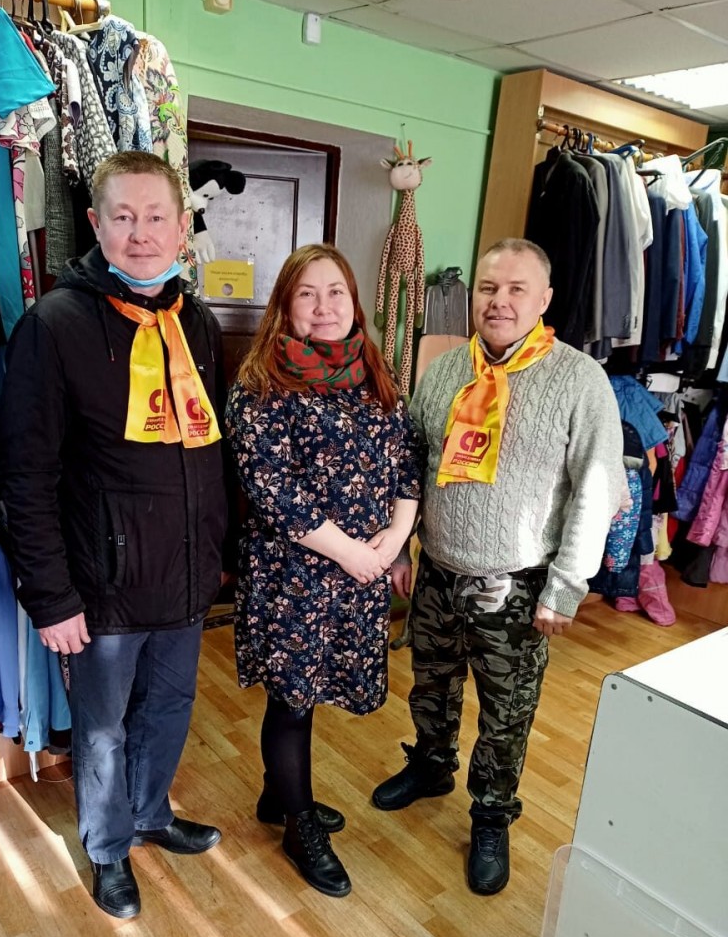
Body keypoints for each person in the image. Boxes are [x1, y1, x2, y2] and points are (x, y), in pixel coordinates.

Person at [0, 152, 229, 920]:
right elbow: (26, 476)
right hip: (102, 587)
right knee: (100, 733)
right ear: (95, 224)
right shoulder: (54, 326)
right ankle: (107, 848)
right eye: (123, 217)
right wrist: (51, 597)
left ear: (182, 227)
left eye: (156, 217)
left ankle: (152, 812)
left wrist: (218, 556)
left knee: (168, 709)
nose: (141, 234)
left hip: (186, 577)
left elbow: (212, 452)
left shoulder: (197, 323)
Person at [372, 238, 624, 896]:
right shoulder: (443, 371)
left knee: (505, 711)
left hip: (518, 583)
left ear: (544, 300)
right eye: (488, 288)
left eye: (517, 289)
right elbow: (412, 468)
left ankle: (490, 814)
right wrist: (401, 548)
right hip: (437, 570)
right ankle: (431, 765)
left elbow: (597, 490)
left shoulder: (579, 380)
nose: (499, 301)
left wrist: (565, 587)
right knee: (431, 685)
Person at [225, 244, 422, 898]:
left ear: (354, 301)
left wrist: (396, 536)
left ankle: (277, 795)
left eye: (335, 291)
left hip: (360, 572)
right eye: (306, 293)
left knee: (310, 691)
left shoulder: (373, 371)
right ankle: (298, 823)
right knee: (293, 698)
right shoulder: (259, 386)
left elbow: (408, 456)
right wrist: (355, 553)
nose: (324, 306)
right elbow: (274, 491)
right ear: (285, 306)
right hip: (294, 578)